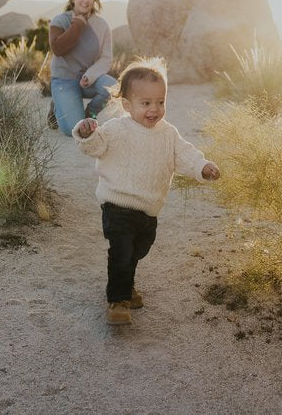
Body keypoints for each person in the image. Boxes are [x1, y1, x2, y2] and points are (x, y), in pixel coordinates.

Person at [73, 58, 220, 326]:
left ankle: (125, 283)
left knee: (140, 248)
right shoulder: (117, 129)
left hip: (149, 208)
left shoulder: (168, 134)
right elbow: (95, 147)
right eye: (146, 103)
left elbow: (185, 155)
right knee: (123, 250)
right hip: (117, 203)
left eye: (160, 102)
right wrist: (86, 134)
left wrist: (203, 166)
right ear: (127, 105)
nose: (154, 109)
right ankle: (118, 301)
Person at [48, 0, 116, 135]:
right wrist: (78, 23)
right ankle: (57, 104)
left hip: (87, 80)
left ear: (94, 1)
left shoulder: (102, 25)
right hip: (64, 80)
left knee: (113, 88)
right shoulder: (60, 20)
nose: (86, 0)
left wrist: (90, 75)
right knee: (73, 130)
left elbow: (106, 58)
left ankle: (90, 113)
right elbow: (58, 49)